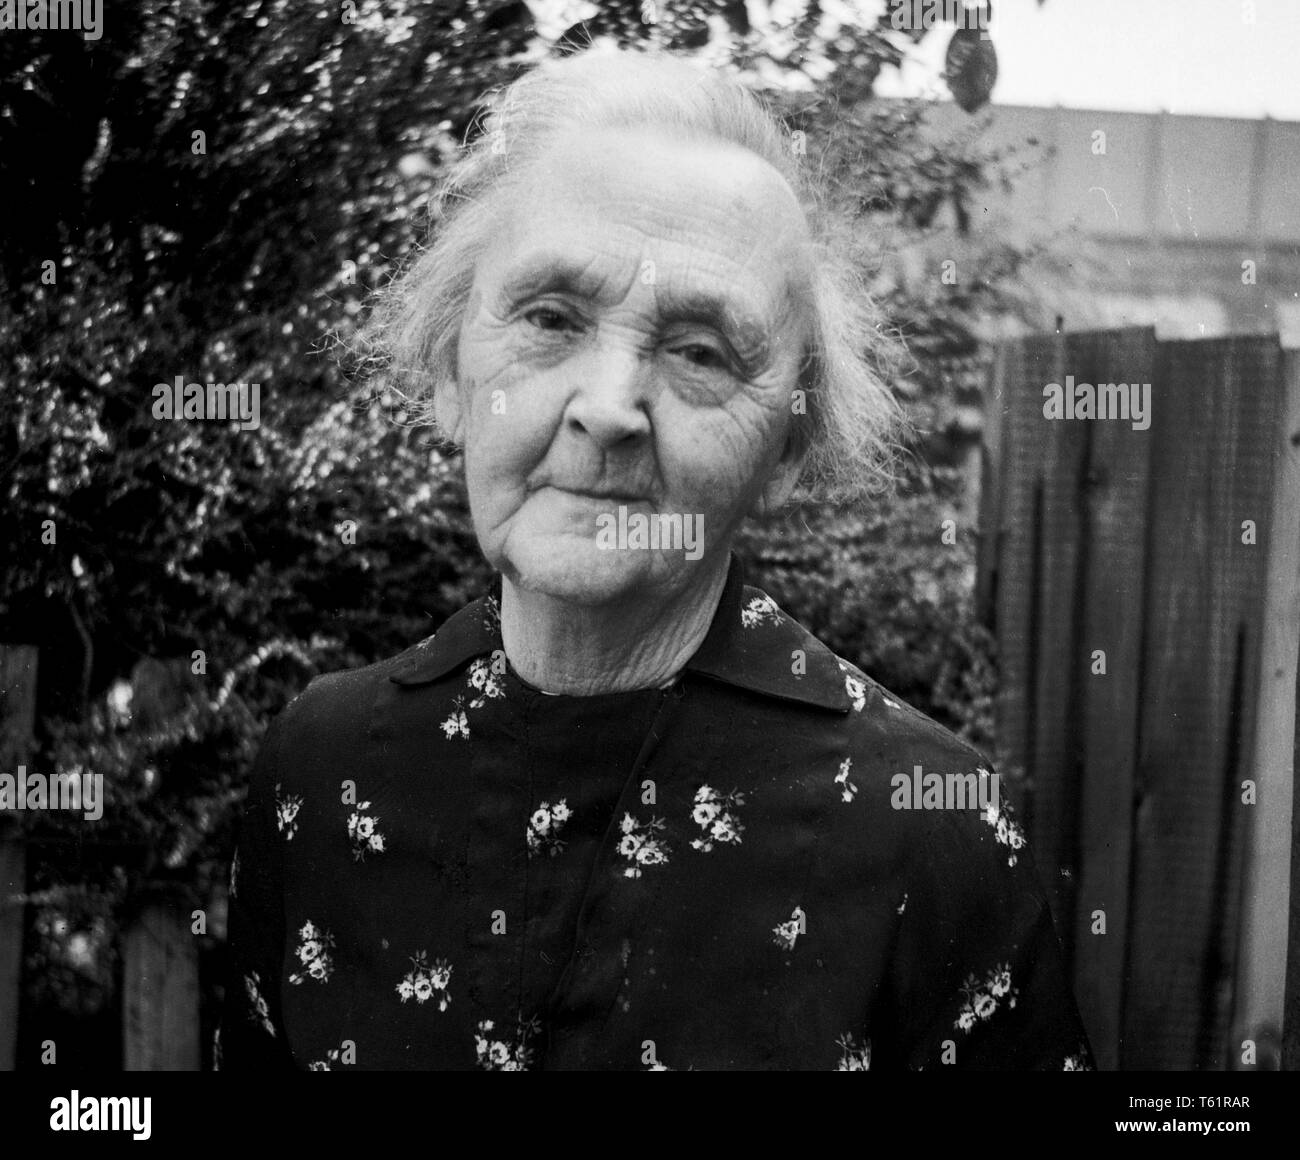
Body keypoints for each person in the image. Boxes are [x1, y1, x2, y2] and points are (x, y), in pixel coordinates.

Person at [218, 45, 1093, 1071]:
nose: (607, 408)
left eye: (698, 353)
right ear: (451, 372)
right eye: (550, 318)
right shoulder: (316, 770)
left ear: (784, 451)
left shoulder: (934, 836)